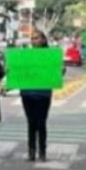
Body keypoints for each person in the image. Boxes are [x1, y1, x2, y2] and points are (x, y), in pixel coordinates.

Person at [20, 29, 53, 162]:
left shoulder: (50, 55)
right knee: (31, 123)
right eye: (32, 38)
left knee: (41, 123)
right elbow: (19, 71)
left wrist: (60, 71)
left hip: (43, 94)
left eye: (37, 38)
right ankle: (31, 151)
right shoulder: (25, 55)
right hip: (27, 93)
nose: (34, 41)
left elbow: (56, 74)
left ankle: (42, 151)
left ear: (44, 40)